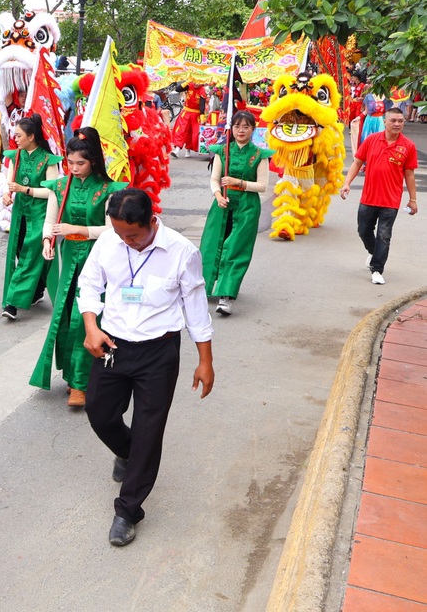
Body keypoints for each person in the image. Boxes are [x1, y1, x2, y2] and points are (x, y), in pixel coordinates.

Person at [77, 188, 214, 547]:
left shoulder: (182, 252)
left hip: (158, 351)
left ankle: (128, 510)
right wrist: (92, 326)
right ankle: (127, 452)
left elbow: (195, 307)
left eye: (133, 235)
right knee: (99, 412)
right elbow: (89, 284)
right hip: (113, 344)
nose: (126, 241)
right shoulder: (109, 243)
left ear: (152, 221)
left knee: (149, 430)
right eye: (120, 234)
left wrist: (205, 360)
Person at [30, 131, 126, 407]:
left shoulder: (109, 190)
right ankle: (71, 374)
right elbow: (50, 221)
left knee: (86, 318)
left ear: (93, 161)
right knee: (63, 317)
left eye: (79, 163)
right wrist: (48, 239)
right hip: (68, 256)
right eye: (69, 162)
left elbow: (112, 229)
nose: (73, 168)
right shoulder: (59, 187)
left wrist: (79, 230)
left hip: (98, 259)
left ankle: (80, 383)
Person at [199, 110, 275, 316]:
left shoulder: (260, 155)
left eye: (246, 127)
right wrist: (218, 195)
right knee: (211, 245)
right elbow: (215, 179)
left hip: (247, 207)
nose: (241, 130)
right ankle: (205, 288)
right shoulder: (223, 151)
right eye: (237, 126)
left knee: (236, 249)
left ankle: (227, 295)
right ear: (231, 129)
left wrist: (238, 183)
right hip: (222, 204)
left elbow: (262, 186)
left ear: (253, 129)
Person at [340, 107, 418, 285]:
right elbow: (358, 162)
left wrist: (412, 200)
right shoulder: (371, 140)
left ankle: (377, 269)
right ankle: (373, 252)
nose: (397, 124)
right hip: (368, 197)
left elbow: (410, 174)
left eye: (401, 121)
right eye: (393, 120)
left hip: (391, 200)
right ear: (385, 121)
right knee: (363, 230)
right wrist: (347, 183)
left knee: (384, 235)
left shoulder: (408, 146)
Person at [1, 113, 62, 320]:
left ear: (31, 137)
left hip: (40, 213)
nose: (15, 139)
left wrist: (25, 190)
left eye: (19, 136)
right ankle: (37, 290)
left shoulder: (48, 160)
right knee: (20, 252)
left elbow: (51, 191)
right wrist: (7, 196)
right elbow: (9, 184)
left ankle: (13, 303)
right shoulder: (14, 156)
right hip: (20, 213)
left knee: (28, 257)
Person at [171, 82, 207, 154]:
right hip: (186, 112)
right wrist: (187, 81)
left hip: (196, 114)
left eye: (198, 82)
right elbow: (178, 89)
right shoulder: (189, 85)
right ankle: (177, 149)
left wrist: (202, 117)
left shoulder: (202, 91)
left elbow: (202, 105)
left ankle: (188, 149)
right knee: (181, 130)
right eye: (195, 81)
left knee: (194, 133)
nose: (196, 84)